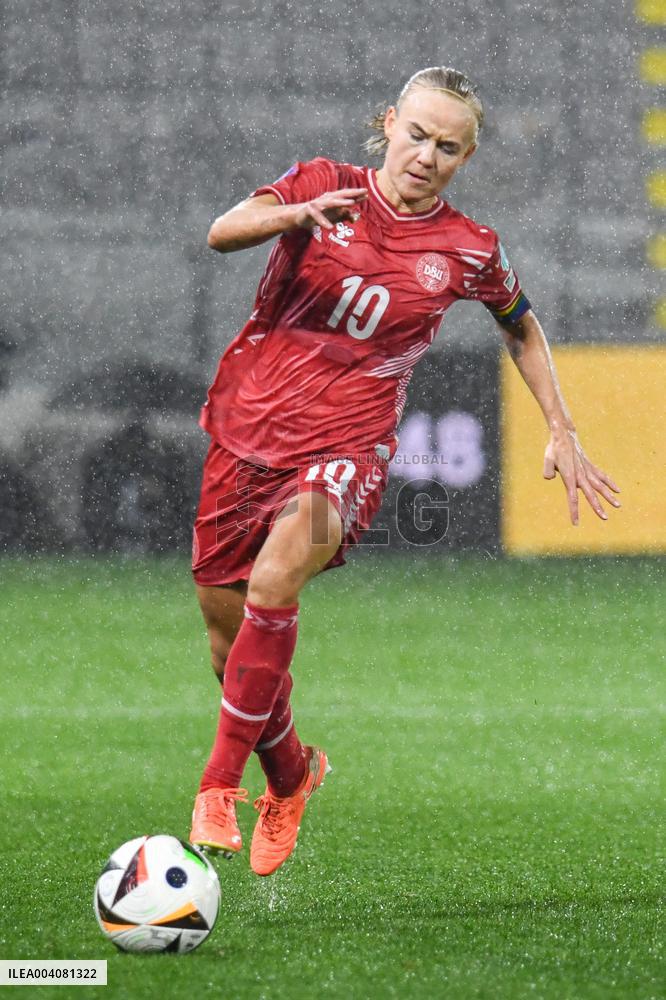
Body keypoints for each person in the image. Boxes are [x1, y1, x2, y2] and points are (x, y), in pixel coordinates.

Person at [188, 66, 621, 876]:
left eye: (448, 147)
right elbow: (222, 230)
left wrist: (561, 426)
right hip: (247, 430)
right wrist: (296, 213)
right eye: (417, 134)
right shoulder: (323, 184)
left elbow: (520, 326)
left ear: (465, 157)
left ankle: (218, 786)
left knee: (275, 581)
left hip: (349, 446)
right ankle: (291, 773)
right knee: (225, 642)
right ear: (389, 123)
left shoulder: (468, 248)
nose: (427, 155)